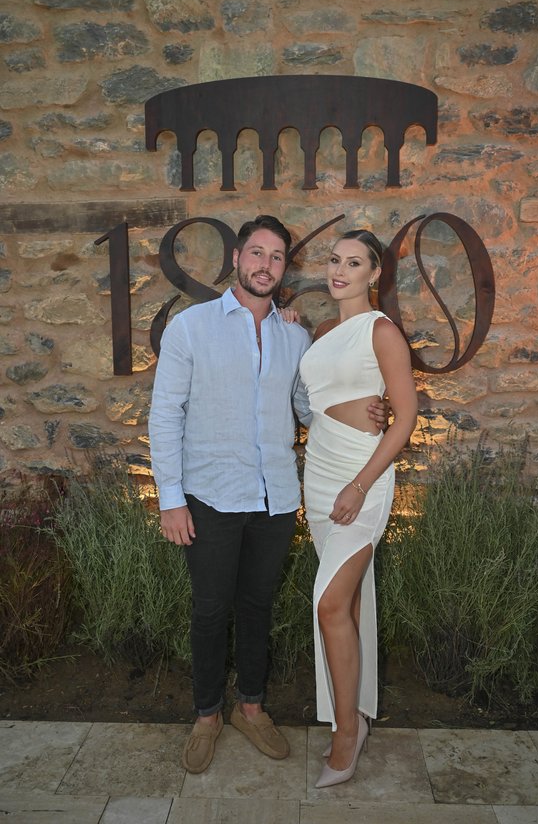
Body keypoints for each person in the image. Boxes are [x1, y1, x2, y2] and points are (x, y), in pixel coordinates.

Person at [148, 215, 387, 775]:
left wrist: (366, 411)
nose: (265, 265)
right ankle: (207, 715)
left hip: (275, 498)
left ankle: (250, 709)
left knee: (258, 606)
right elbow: (165, 414)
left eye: (276, 257)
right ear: (236, 258)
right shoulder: (192, 328)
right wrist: (170, 498)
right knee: (210, 610)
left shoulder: (293, 336)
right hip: (209, 495)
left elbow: (308, 409)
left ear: (284, 268)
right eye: (256, 253)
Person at [295, 229, 417, 789]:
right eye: (334, 260)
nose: (339, 271)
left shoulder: (382, 331)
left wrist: (360, 486)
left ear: (375, 273)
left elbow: (405, 419)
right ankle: (357, 712)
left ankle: (347, 732)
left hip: (361, 479)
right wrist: (290, 326)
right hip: (319, 473)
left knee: (328, 605)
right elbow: (313, 401)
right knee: (347, 604)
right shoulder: (321, 332)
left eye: (353, 263)